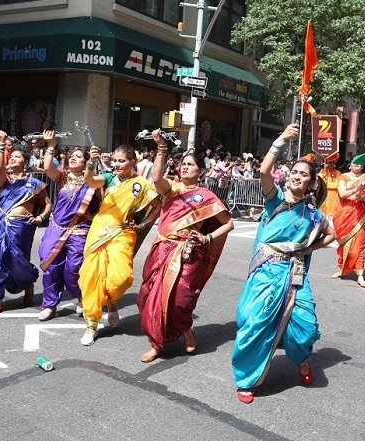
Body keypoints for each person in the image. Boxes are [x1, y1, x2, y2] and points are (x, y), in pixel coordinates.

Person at [232, 124, 336, 404]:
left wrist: (307, 248)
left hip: (295, 273)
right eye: (294, 172)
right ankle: (246, 380)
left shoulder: (314, 214)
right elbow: (264, 171)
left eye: (303, 174)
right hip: (266, 272)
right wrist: (280, 140)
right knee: (254, 323)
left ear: (311, 183)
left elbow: (331, 235)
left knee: (307, 327)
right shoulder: (274, 199)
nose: (297, 176)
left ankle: (301, 357)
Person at [137, 130, 234, 363]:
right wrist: (161, 148)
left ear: (200, 171)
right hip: (162, 249)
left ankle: (186, 330)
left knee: (181, 300)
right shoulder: (172, 189)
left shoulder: (206, 196)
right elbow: (156, 178)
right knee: (151, 296)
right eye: (184, 163)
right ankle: (156, 344)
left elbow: (228, 224)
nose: (186, 167)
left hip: (188, 253)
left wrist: (208, 238)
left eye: (191, 165)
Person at [77, 143, 159, 346]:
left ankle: (112, 303)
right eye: (115, 160)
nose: (117, 164)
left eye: (122, 161)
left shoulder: (142, 184)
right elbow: (89, 181)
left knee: (120, 278)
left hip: (123, 232)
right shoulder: (108, 179)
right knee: (91, 275)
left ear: (133, 162)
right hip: (99, 229)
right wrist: (90, 162)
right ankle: (91, 324)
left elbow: (157, 206)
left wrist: (142, 224)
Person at [0, 130, 52, 316]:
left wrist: (40, 217)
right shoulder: (5, 180)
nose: (13, 159)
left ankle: (28, 283)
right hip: (0, 223)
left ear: (25, 162)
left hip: (21, 227)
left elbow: (47, 204)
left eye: (17, 156)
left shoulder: (35, 184)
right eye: (12, 156)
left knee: (19, 262)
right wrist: (0, 145)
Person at [36, 132, 101, 321]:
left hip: (79, 229)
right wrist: (51, 144)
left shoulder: (93, 182)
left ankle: (81, 296)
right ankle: (49, 304)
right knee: (50, 263)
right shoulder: (62, 177)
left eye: (78, 156)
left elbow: (105, 205)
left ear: (87, 161)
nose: (73, 158)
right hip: (56, 226)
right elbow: (48, 167)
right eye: (72, 156)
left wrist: (92, 215)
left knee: (73, 268)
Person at [331, 161, 365, 288]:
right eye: (354, 162)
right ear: (350, 165)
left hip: (360, 216)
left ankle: (360, 275)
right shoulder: (343, 177)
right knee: (343, 243)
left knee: (360, 244)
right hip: (343, 215)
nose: (357, 164)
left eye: (359, 163)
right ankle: (341, 269)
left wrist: (362, 198)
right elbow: (342, 194)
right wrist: (357, 190)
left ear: (363, 166)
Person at [319, 152, 340, 217]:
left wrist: (327, 184)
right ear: (326, 163)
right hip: (323, 200)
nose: (332, 164)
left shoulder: (337, 173)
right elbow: (320, 184)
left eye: (333, 163)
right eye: (330, 162)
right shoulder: (322, 172)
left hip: (333, 199)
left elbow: (338, 185)